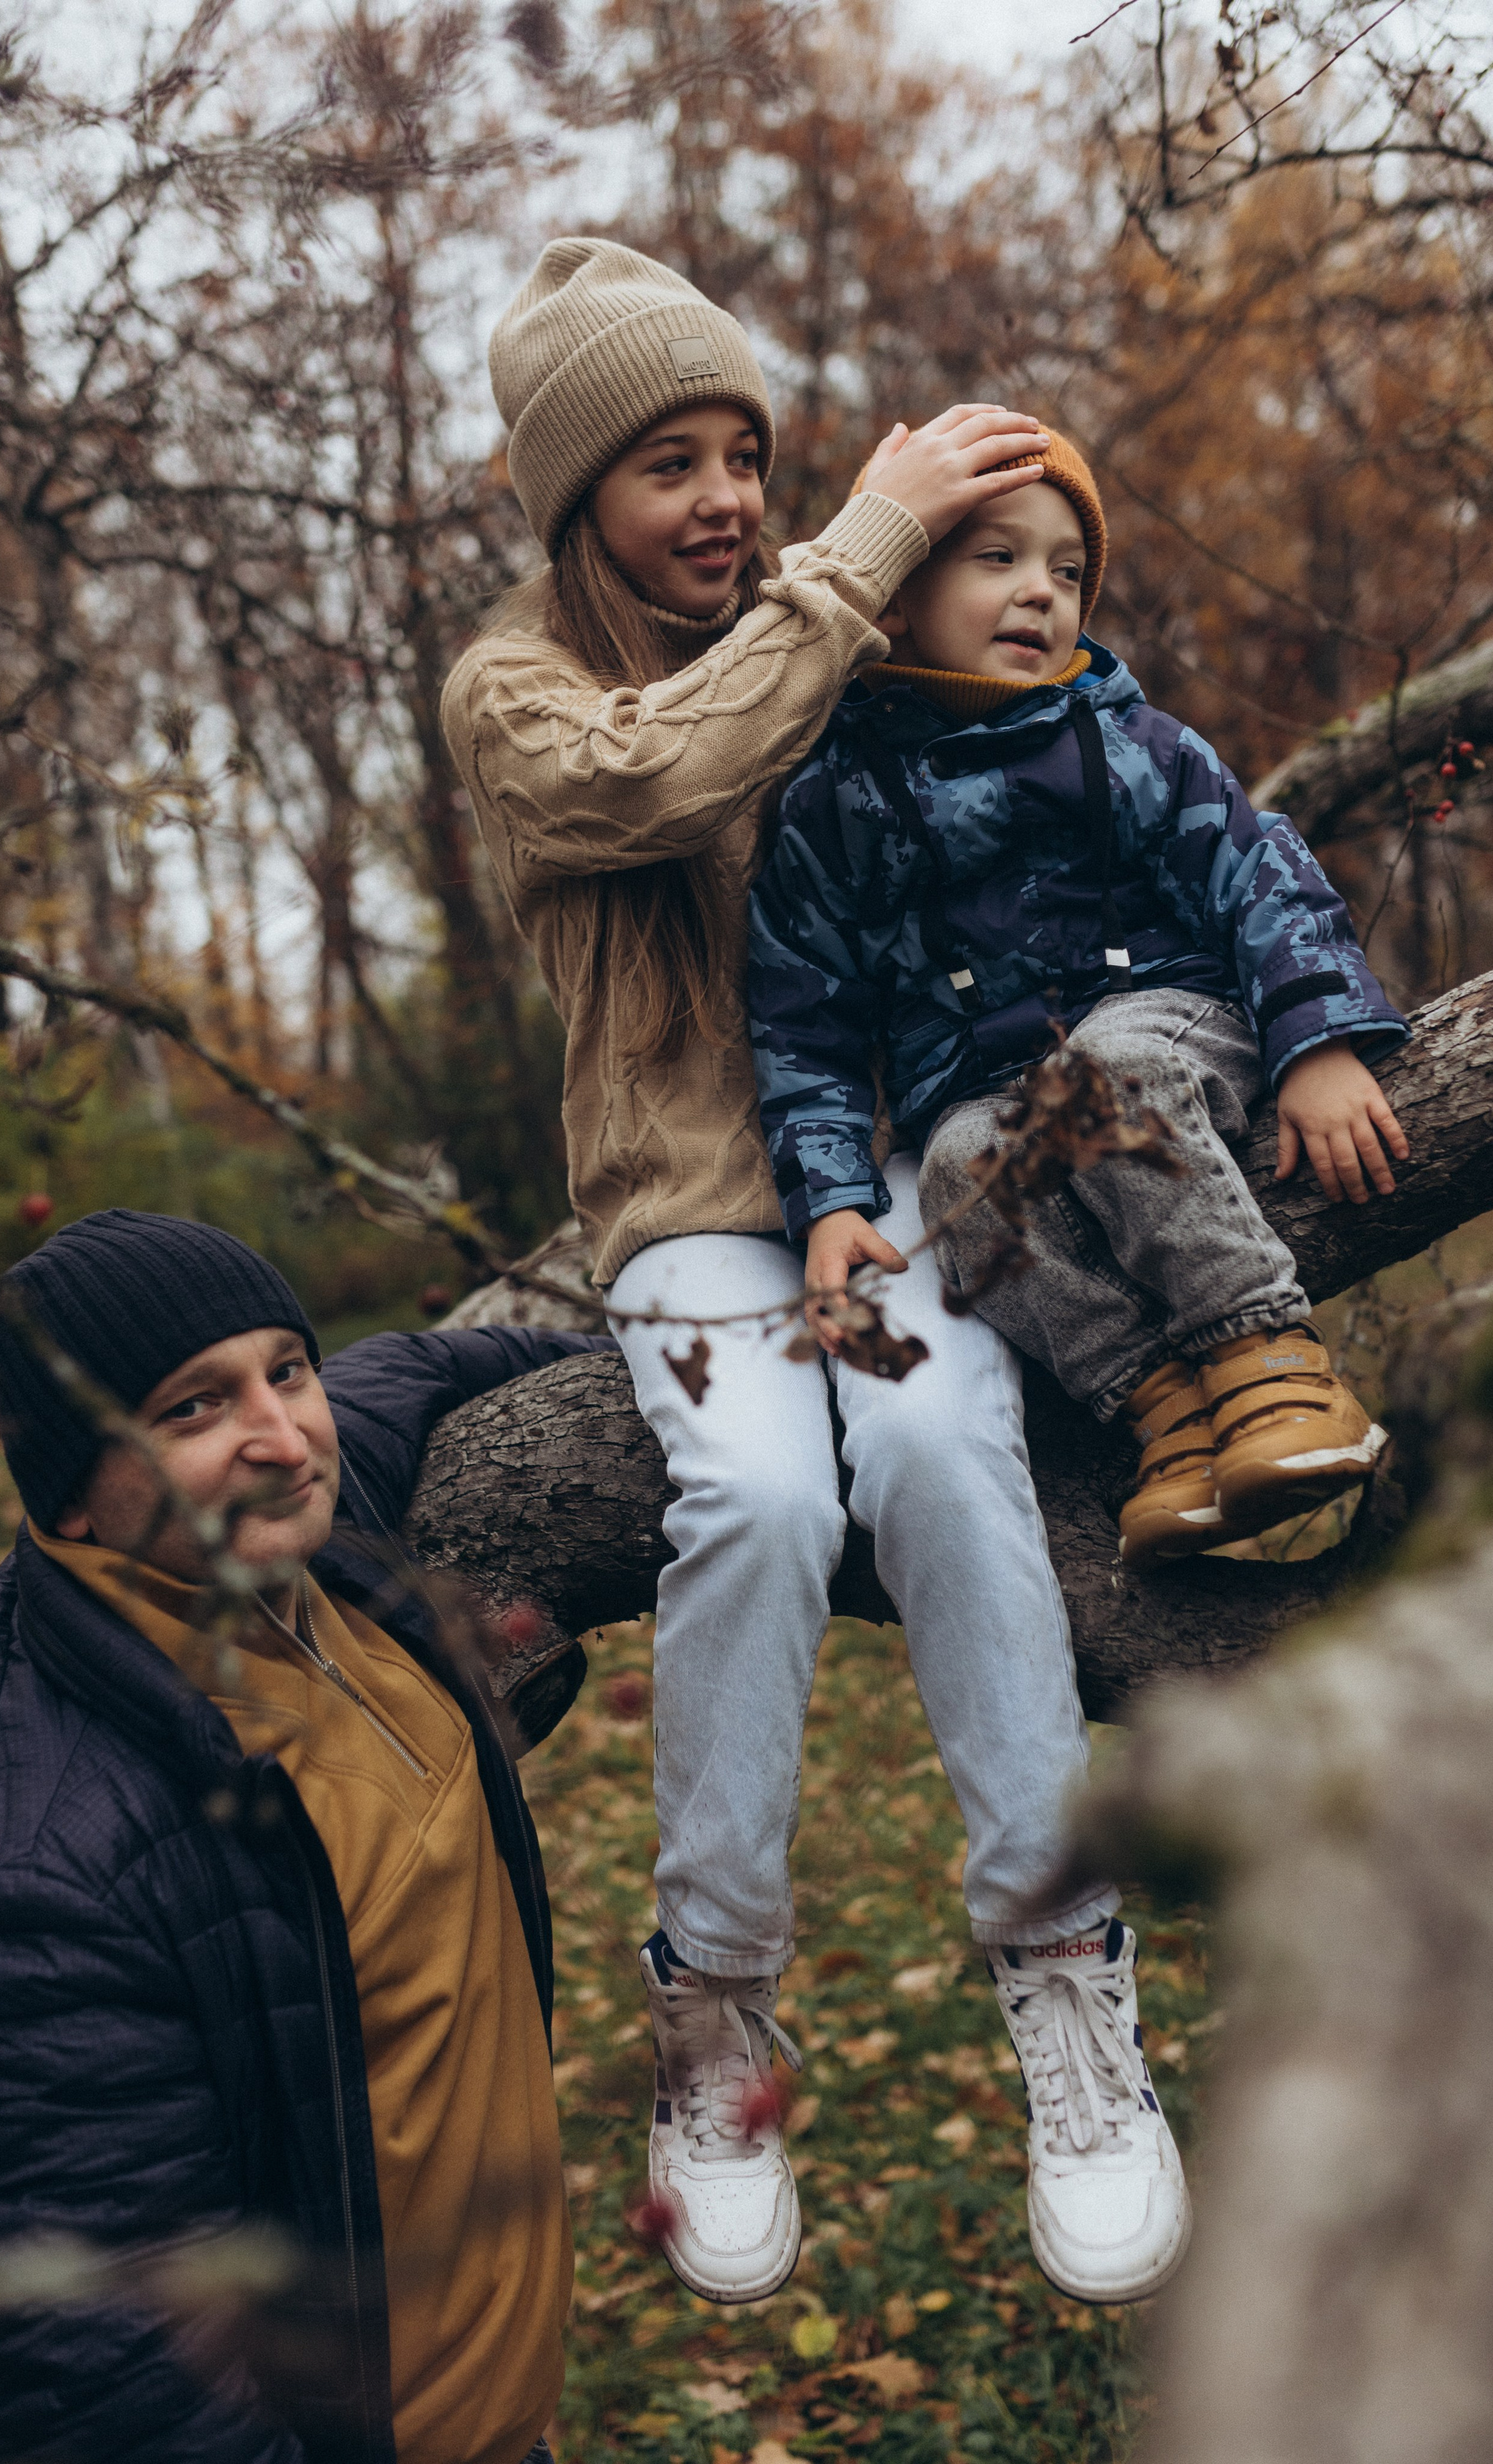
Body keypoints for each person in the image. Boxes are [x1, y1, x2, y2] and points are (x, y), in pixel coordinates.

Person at [443, 237, 1188, 2313]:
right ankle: (714, 2010)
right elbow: (654, 773)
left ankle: (1064, 1968)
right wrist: (859, 555)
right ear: (575, 495)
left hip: (897, 1186)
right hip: (692, 1207)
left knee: (942, 1454)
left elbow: (1049, 758)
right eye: (666, 462)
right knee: (765, 1496)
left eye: (744, 456)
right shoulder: (515, 685)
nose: (723, 501)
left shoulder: (839, 622)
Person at [0, 1208, 610, 2464]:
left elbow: (420, 1365)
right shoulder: (22, 1886)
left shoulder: (302, 1531)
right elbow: (133, 2396)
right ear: (74, 1492)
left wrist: (697, 1364)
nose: (282, 1435)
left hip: (507, 2421)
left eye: (285, 1369)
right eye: (191, 1408)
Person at [747, 429, 1408, 1561]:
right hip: (984, 1085)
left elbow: (1257, 873)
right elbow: (801, 1013)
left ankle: (1267, 1359)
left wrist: (1317, 1043)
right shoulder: (832, 805)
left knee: (1106, 1076)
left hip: (1162, 1019)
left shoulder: (1125, 740)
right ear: (895, 596)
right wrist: (833, 1198)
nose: (1041, 593)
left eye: (1066, 571)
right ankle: (1165, 1414)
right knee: (957, 1170)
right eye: (998, 558)